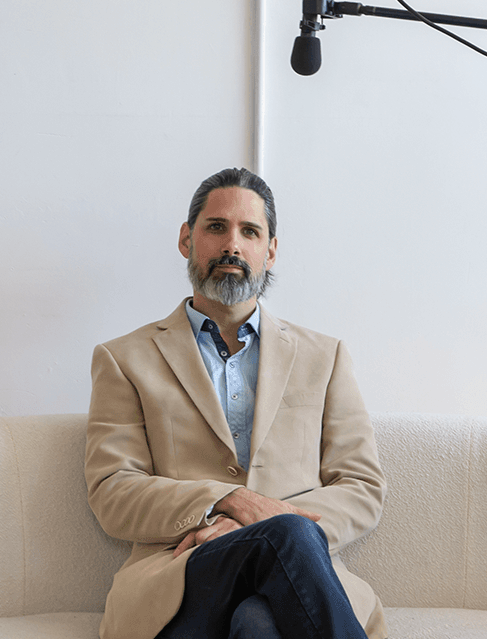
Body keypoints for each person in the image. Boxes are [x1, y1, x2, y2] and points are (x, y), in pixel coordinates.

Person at [84, 168, 388, 639]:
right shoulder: (124, 359)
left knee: (259, 624)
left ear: (270, 250)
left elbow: (361, 485)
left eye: (250, 232)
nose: (232, 245)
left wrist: (261, 529)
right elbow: (113, 491)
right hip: (182, 581)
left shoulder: (324, 357)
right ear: (186, 239)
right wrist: (230, 502)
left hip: (298, 584)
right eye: (216, 227)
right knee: (284, 533)